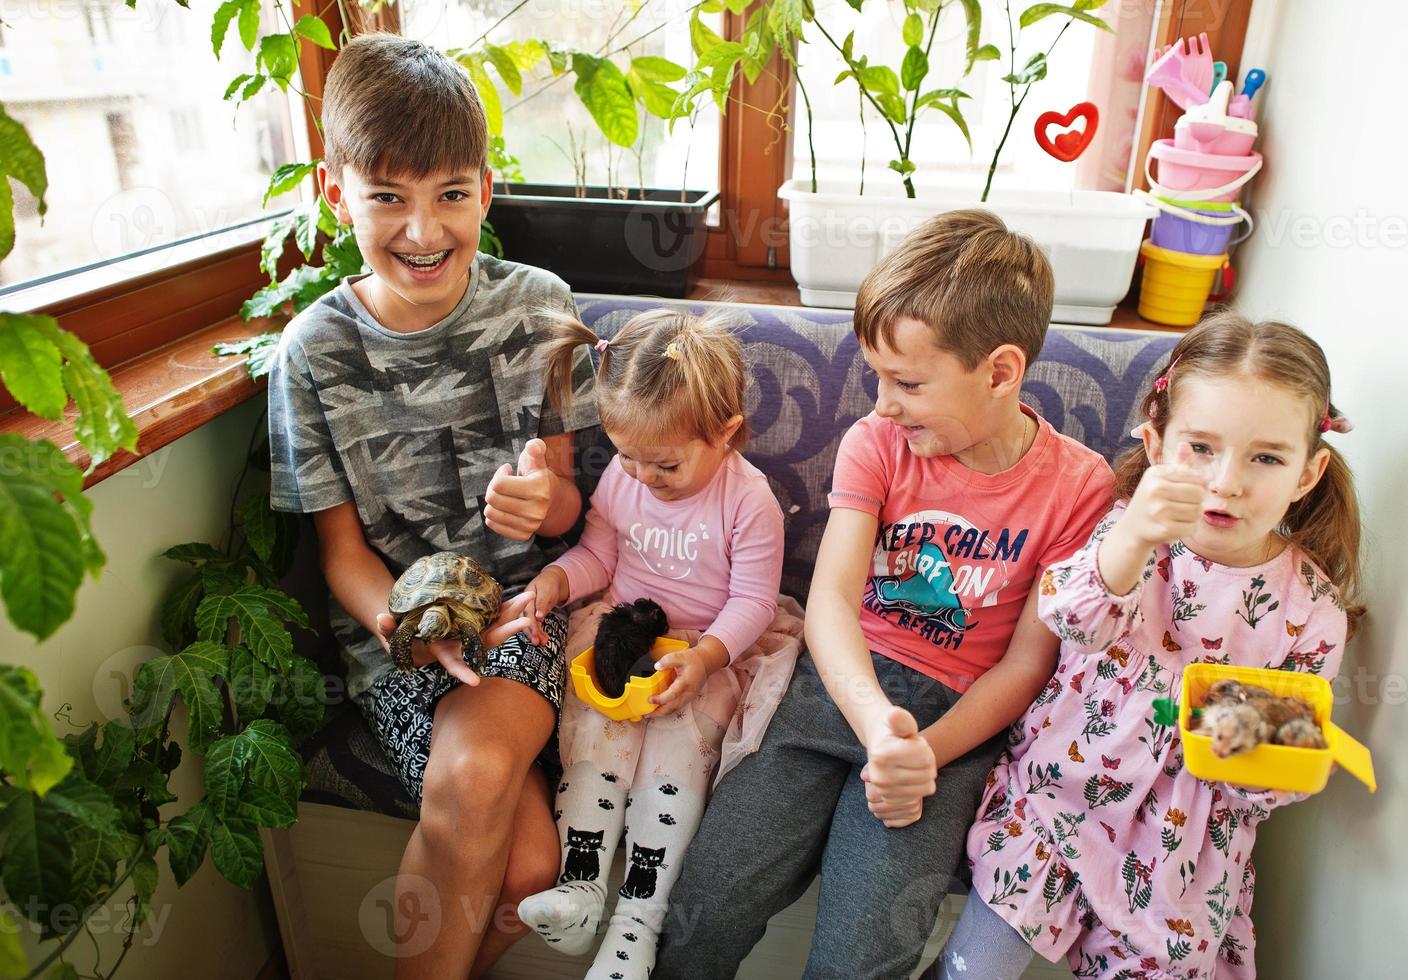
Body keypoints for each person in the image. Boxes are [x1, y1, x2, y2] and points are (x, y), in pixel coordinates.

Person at [654, 209, 1118, 979]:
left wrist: (918, 755)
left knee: (863, 956)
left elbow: (1026, 665)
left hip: (952, 730)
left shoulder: (1079, 487)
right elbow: (831, 602)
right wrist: (877, 725)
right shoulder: (878, 442)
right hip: (838, 688)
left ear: (1000, 373)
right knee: (708, 902)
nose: (880, 404)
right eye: (876, 378)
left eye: (905, 382)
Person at [266, 34, 598, 979]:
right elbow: (340, 553)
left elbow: (570, 505)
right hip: (397, 637)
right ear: (340, 198)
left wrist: (545, 505)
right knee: (529, 866)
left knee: (475, 777)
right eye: (389, 199)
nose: (423, 231)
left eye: (450, 194)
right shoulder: (314, 351)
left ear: (485, 191)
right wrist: (409, 627)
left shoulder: (540, 308)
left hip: (524, 616)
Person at [933, 312, 1362, 978]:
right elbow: (1071, 618)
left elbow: (1265, 792)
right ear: (1157, 444)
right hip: (1055, 807)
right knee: (971, 971)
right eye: (1200, 448)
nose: (1226, 481)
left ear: (1306, 473)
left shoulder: (1311, 614)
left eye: (1266, 458)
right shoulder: (1125, 531)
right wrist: (1131, 538)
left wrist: (1271, 754)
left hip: (1180, 857)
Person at [515, 308, 803, 979]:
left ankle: (634, 932)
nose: (642, 477)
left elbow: (753, 602)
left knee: (670, 765)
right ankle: (580, 890)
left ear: (725, 433)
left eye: (664, 464)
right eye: (626, 457)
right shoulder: (624, 478)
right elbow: (599, 556)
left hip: (707, 650)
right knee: (594, 744)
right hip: (620, 631)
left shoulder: (748, 500)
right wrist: (557, 581)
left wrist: (702, 660)